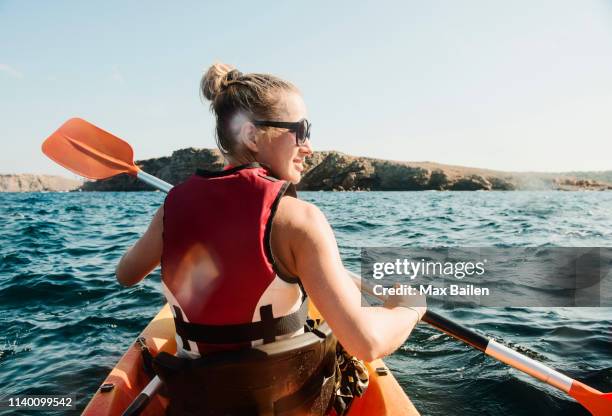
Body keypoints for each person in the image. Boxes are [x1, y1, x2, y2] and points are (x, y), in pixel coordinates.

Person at [115, 62, 426, 415]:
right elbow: (366, 342)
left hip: (198, 403)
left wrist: (177, 218)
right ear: (251, 135)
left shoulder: (172, 210)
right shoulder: (300, 219)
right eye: (300, 131)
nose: (308, 146)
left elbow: (125, 274)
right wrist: (409, 309)